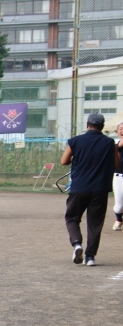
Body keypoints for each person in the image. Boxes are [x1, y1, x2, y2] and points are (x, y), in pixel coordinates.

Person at [61, 113, 118, 266]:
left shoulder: (76, 141)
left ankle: (77, 243)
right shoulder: (109, 143)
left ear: (87, 125)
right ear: (102, 126)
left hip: (79, 187)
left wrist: (76, 158)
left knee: (72, 218)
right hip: (100, 188)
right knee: (95, 223)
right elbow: (116, 165)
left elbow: (64, 161)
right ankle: (90, 257)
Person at [113, 123, 123, 231]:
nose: (122, 131)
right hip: (120, 176)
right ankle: (119, 219)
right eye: (120, 129)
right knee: (119, 206)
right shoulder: (116, 142)